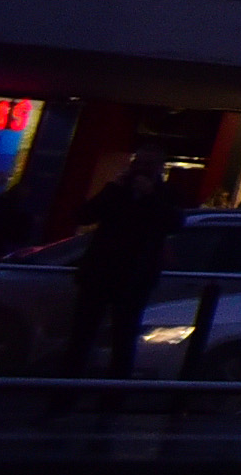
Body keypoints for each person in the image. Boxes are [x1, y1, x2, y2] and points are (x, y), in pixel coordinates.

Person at [64, 148, 185, 377]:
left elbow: (174, 223)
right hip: (100, 272)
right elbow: (84, 215)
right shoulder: (117, 190)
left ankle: (115, 389)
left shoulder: (166, 194)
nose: (140, 170)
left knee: (124, 336)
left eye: (147, 165)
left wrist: (150, 196)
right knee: (82, 335)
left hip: (135, 275)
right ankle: (68, 386)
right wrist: (112, 188)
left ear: (159, 169)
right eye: (137, 164)